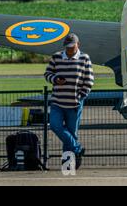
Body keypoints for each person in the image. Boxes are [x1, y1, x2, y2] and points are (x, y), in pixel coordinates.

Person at [44, 33, 94, 169]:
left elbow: (89, 81)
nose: (70, 49)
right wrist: (55, 79)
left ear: (78, 44)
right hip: (57, 102)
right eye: (67, 47)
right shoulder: (56, 57)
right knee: (55, 126)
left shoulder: (84, 58)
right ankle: (77, 149)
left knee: (71, 133)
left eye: (72, 46)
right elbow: (47, 74)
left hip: (75, 103)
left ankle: (68, 165)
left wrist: (81, 96)